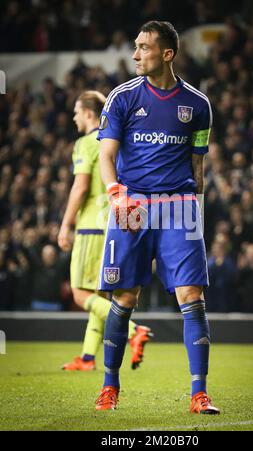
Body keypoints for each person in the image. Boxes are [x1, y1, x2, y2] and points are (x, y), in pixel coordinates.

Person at [95, 21, 220, 414]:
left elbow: (197, 165)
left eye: (144, 47)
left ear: (167, 54)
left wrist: (195, 211)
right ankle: (109, 386)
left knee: (192, 296)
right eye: (135, 46)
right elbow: (106, 156)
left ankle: (199, 394)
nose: (135, 54)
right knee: (125, 296)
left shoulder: (198, 106)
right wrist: (116, 194)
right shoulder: (122, 97)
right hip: (131, 205)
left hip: (180, 206)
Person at [58, 90, 152, 371]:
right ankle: (88, 357)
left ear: (89, 113)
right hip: (113, 226)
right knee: (100, 296)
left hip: (89, 228)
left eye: (77, 111)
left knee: (79, 294)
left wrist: (66, 224)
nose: (74, 117)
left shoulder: (86, 143)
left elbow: (81, 186)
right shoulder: (116, 140)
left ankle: (135, 331)